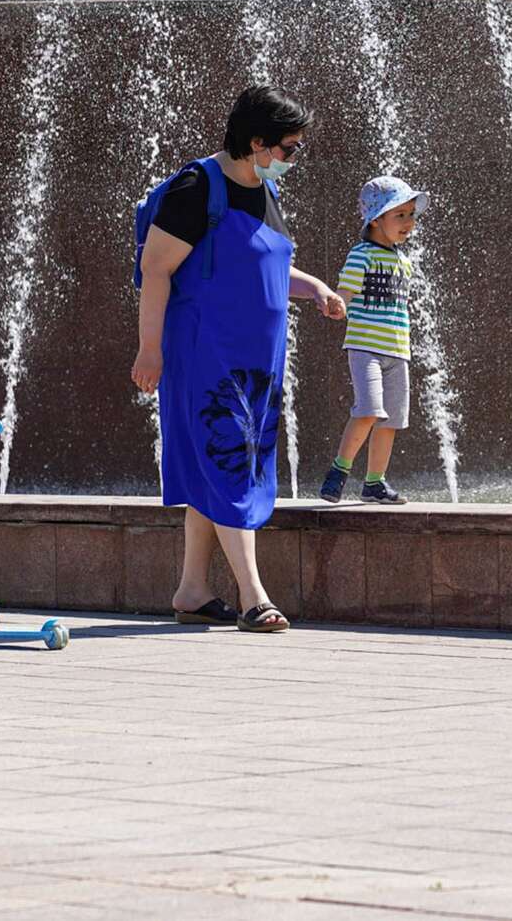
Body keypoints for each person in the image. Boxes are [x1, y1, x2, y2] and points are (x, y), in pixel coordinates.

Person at [131, 86, 347, 633]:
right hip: (207, 354)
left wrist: (315, 287)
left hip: (255, 361)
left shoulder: (261, 189)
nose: (292, 159)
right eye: (289, 149)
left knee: (222, 463)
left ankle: (193, 590)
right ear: (256, 142)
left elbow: (265, 269)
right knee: (231, 461)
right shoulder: (197, 186)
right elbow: (156, 268)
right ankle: (254, 596)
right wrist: (149, 350)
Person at [319, 176, 428, 505]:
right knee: (368, 409)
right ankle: (339, 470)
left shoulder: (404, 262)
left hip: (398, 351)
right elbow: (345, 294)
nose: (409, 223)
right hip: (366, 347)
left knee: (391, 419)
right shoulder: (361, 254)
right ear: (376, 220)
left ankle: (375, 482)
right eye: (400, 215)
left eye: (411, 214)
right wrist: (336, 304)